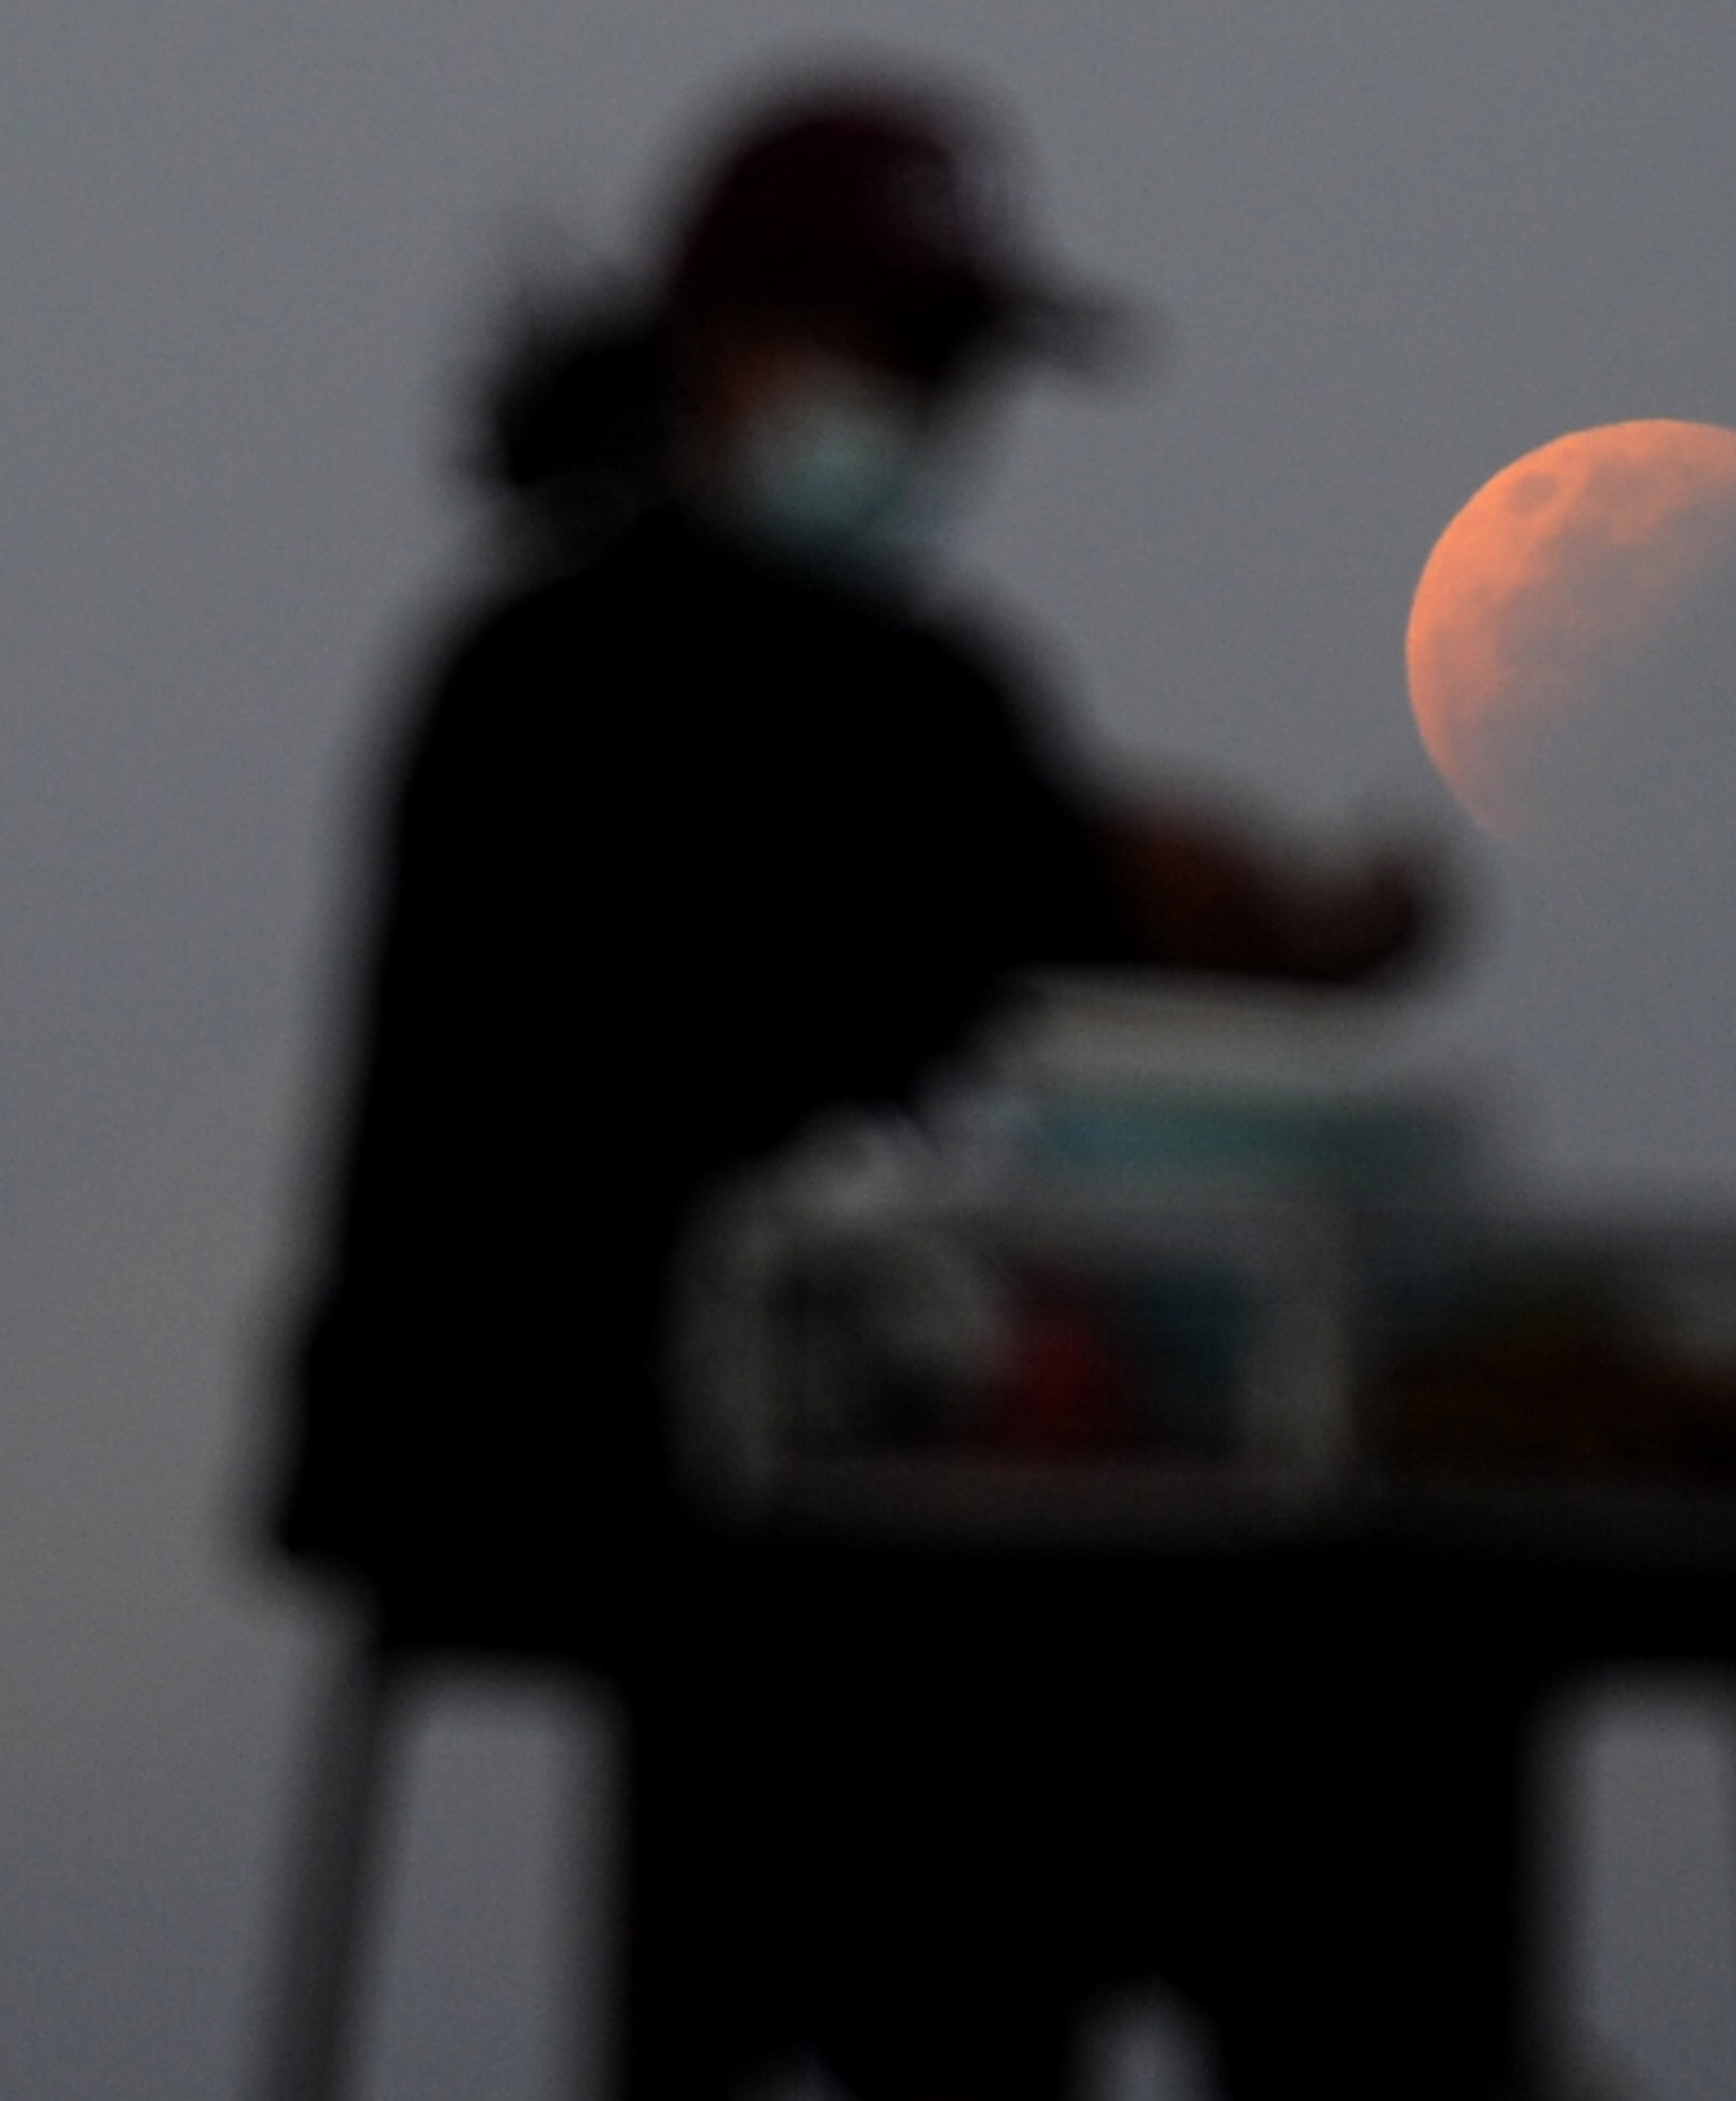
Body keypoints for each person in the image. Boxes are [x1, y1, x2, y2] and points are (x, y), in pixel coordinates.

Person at [268, 75, 1497, 2101]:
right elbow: (1035, 885)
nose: (923, 419)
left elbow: (1033, 887)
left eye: (949, 373)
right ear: (713, 343)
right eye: (887, 355)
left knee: (1223, 1707)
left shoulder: (874, 686)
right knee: (1074, 1726)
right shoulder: (576, 685)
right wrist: (1243, 911)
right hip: (550, 1455)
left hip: (825, 1469)